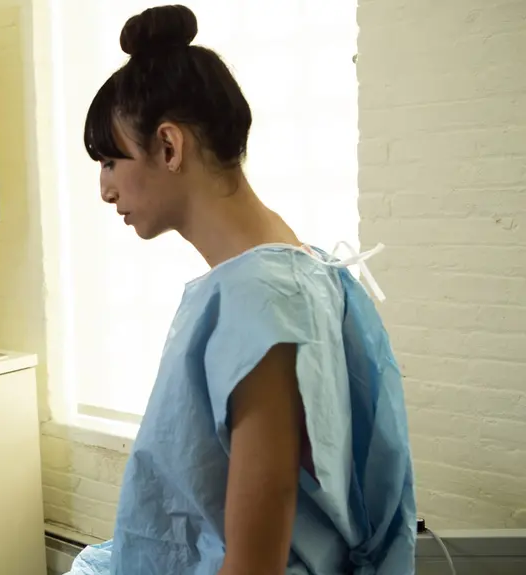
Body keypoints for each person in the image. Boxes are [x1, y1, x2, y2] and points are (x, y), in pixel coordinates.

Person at [67, 5, 416, 575]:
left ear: (169, 146)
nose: (105, 190)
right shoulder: (300, 268)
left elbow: (255, 563)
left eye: (110, 161)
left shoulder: (260, 302)